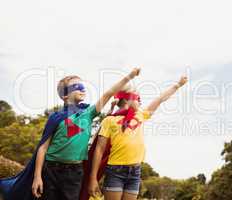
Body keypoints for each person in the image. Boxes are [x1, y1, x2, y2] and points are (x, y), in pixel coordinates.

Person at [0, 68, 140, 200]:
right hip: (51, 169)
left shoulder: (88, 113)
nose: (81, 88)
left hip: (75, 171)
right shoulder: (56, 117)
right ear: (65, 95)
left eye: (82, 85)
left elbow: (108, 93)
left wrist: (130, 76)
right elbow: (42, 148)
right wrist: (37, 177)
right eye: (76, 86)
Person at [88, 75, 188, 200]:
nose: (141, 102)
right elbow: (99, 149)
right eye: (138, 98)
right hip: (115, 171)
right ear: (127, 100)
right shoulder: (109, 121)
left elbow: (160, 99)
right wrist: (92, 179)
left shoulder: (140, 115)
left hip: (135, 172)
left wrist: (177, 85)